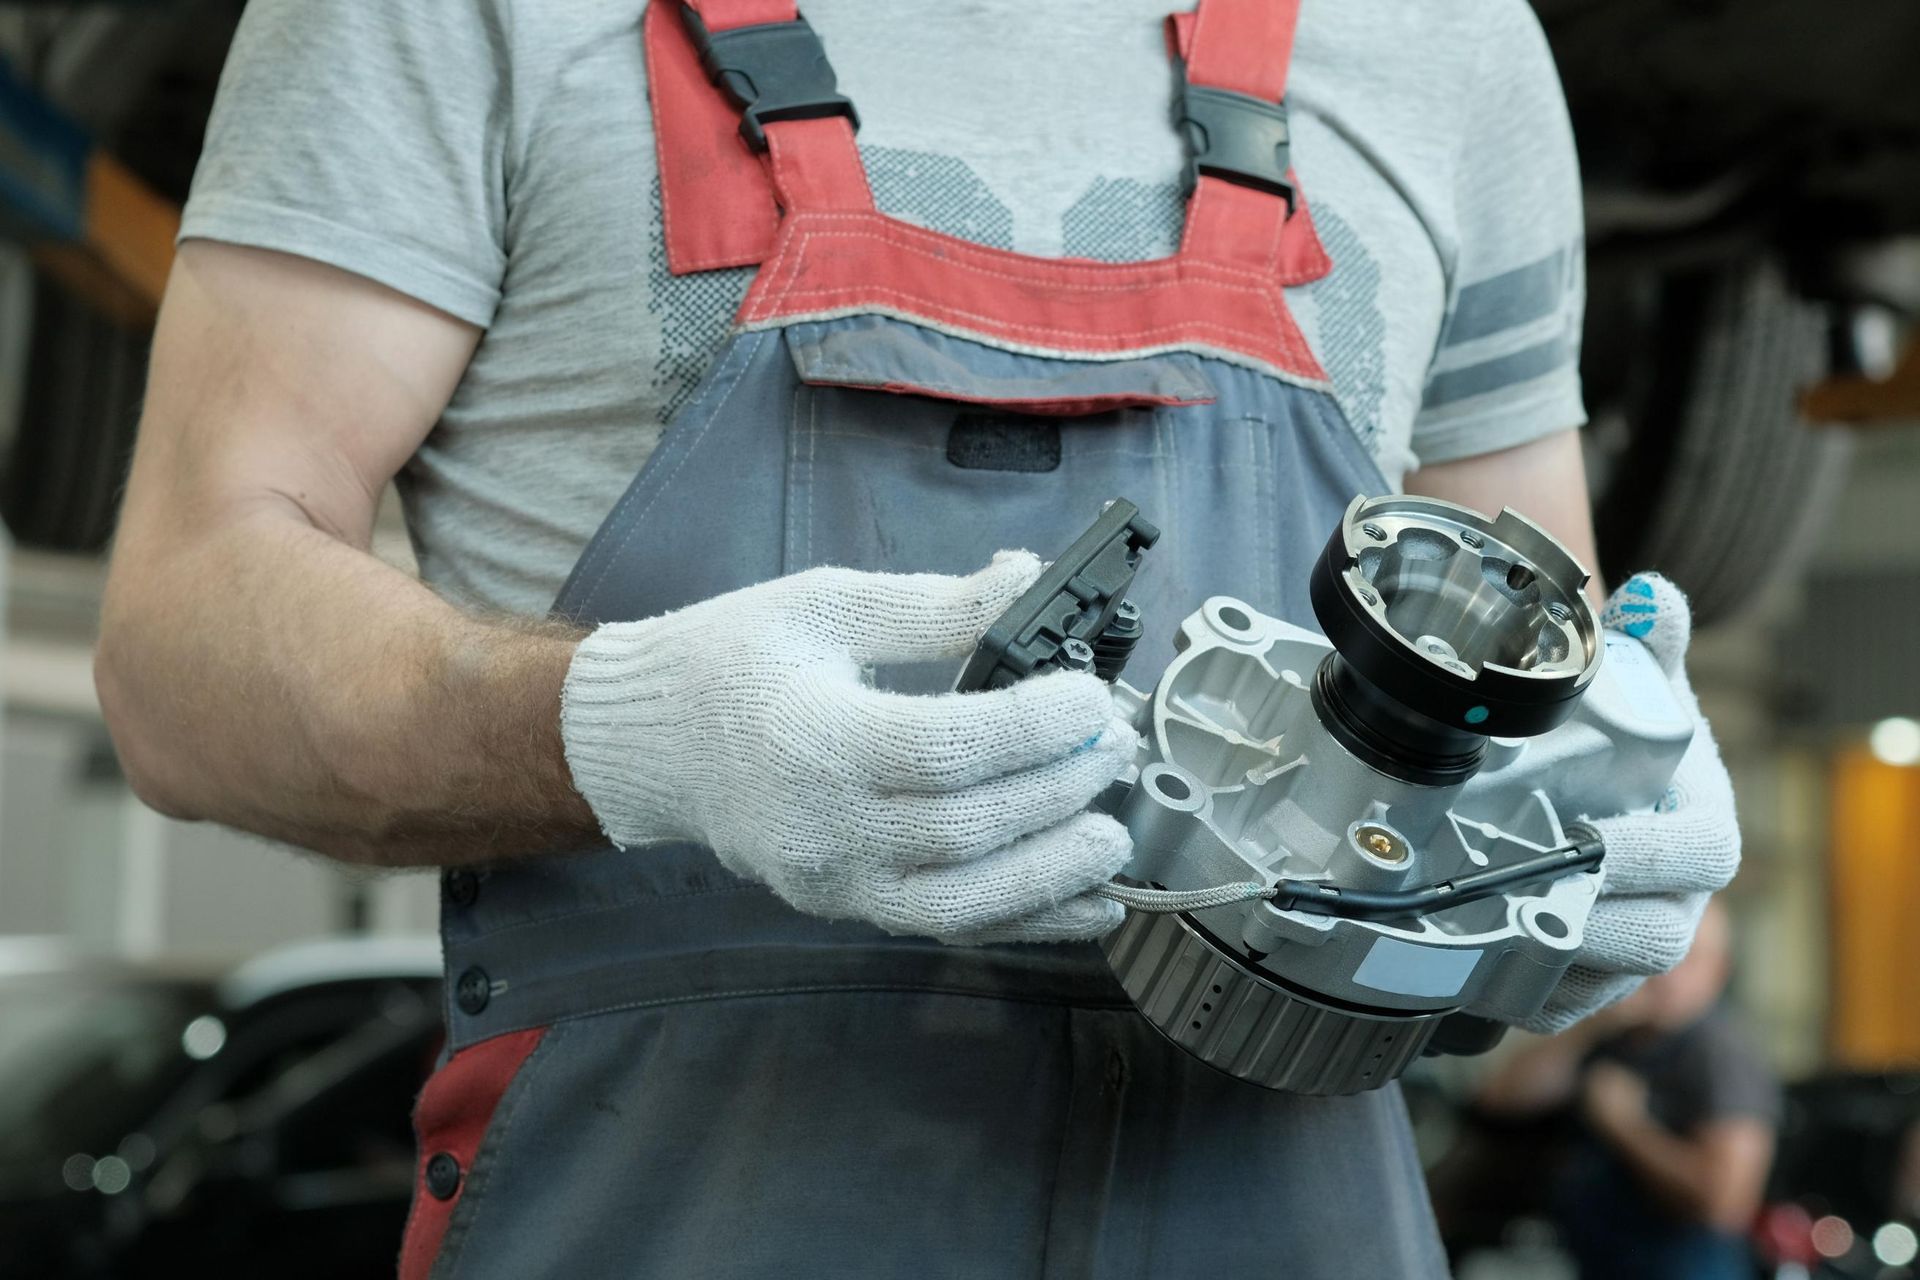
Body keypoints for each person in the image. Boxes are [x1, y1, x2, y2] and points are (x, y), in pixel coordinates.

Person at [92, 0, 1740, 1273]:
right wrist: (635, 731)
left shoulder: (1450, 46)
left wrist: (1589, 854)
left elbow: (1532, 669)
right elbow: (183, 650)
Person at [1478, 899, 1779, 1279]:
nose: (1664, 975)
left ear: (1719, 972)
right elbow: (1500, 1098)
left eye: (1687, 959)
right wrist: (1592, 1019)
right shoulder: (1615, 1036)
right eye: (1658, 956)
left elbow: (1725, 1206)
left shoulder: (1720, 1051)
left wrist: (1625, 1125)